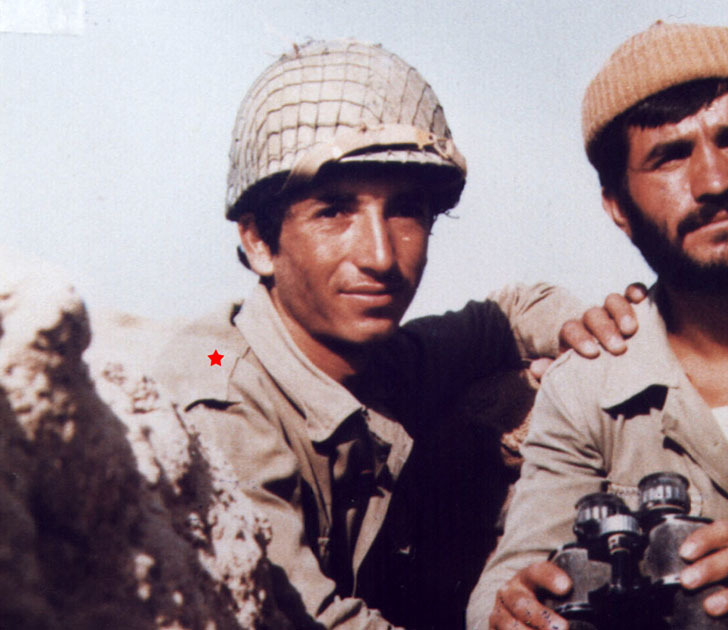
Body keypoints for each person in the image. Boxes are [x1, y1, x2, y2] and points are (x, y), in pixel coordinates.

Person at [154, 40, 636, 629]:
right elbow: (309, 621)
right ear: (258, 241)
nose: (380, 256)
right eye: (334, 212)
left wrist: (589, 330)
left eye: (405, 211)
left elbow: (508, 313)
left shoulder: (383, 361)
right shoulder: (220, 393)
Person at [468, 22, 728, 630]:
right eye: (670, 157)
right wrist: (514, 608)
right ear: (616, 206)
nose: (714, 182)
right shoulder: (586, 390)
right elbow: (502, 588)